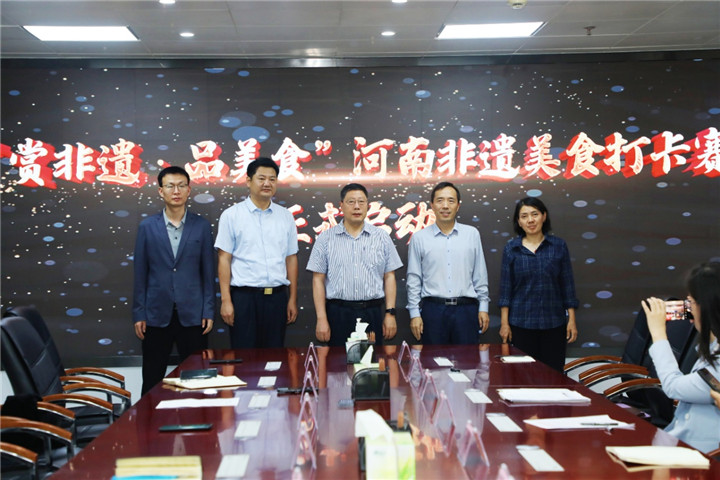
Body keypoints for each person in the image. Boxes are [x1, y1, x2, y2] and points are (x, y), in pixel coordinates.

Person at [132, 166, 214, 395]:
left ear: (189, 190)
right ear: (161, 191)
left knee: (198, 380)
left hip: (194, 314)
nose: (176, 191)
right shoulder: (147, 226)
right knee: (152, 379)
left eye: (181, 186)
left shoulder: (201, 226)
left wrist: (208, 310)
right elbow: (140, 273)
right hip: (156, 314)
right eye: (170, 186)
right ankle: (148, 418)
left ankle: (199, 417)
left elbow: (208, 273)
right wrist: (139, 313)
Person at [215, 157, 298, 348]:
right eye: (261, 178)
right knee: (244, 355)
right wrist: (226, 301)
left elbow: (291, 258)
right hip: (244, 299)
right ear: (248, 181)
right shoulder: (231, 215)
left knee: (274, 356)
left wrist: (292, 299)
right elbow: (224, 259)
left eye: (272, 179)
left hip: (277, 298)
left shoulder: (285, 216)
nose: (267, 183)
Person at [307, 183, 402, 346]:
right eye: (351, 202)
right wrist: (321, 318)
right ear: (341, 206)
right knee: (337, 361)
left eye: (361, 202)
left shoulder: (381, 237)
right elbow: (317, 279)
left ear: (367, 205)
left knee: (370, 360)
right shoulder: (326, 238)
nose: (356, 206)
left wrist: (390, 313)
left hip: (372, 312)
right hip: (338, 313)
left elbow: (390, 277)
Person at [642, 261, 720, 454]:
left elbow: (673, 386)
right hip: (679, 442)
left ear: (707, 307)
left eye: (691, 302)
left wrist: (659, 333)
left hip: (699, 452)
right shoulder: (713, 347)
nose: (688, 308)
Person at [498, 197, 579, 372]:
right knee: (522, 375)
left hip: (554, 323)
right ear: (519, 222)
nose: (530, 220)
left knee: (553, 375)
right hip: (521, 324)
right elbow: (505, 289)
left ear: (544, 216)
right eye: (524, 216)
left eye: (535, 214)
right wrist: (504, 324)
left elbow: (567, 285)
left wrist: (571, 320)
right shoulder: (511, 249)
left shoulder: (558, 246)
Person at [406, 182, 490, 344]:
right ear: (432, 205)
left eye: (451, 201)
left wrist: (483, 307)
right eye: (440, 200)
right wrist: (414, 313)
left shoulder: (471, 234)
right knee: (433, 358)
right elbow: (414, 278)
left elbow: (480, 274)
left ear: (458, 206)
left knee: (468, 358)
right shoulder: (419, 238)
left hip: (466, 310)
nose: (445, 206)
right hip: (433, 310)